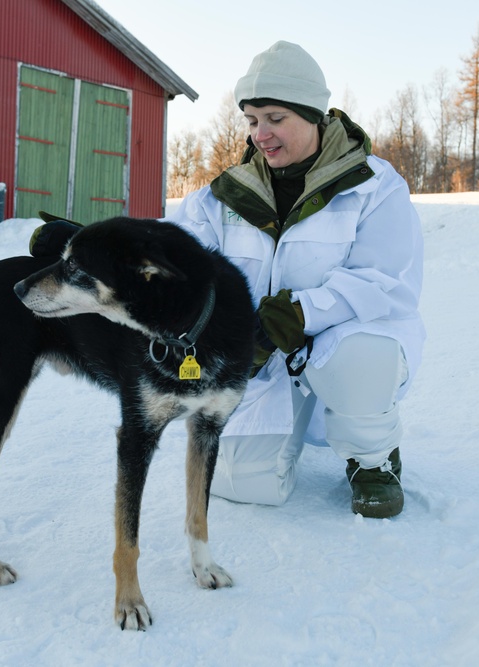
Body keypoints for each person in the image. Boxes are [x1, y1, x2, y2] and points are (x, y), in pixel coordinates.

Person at [161, 41, 425, 518]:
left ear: (314, 117)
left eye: (275, 118)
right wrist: (99, 248)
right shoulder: (221, 197)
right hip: (260, 357)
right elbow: (177, 263)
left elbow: (380, 279)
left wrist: (297, 314)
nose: (261, 133)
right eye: (251, 120)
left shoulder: (374, 187)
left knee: (360, 359)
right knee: (242, 483)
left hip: (345, 343)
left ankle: (373, 457)